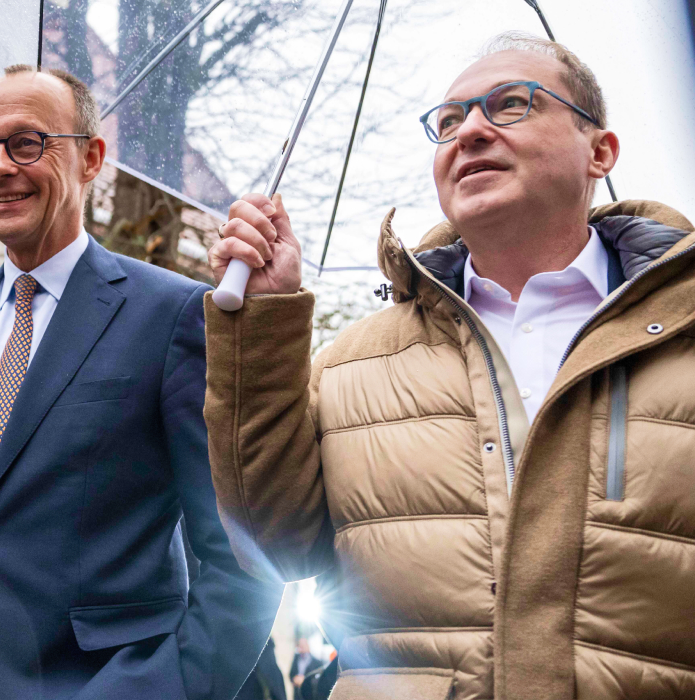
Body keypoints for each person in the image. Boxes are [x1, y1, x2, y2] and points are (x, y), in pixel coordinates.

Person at [205, 32, 695, 699]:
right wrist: (261, 322)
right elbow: (275, 545)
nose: (469, 131)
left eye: (511, 104)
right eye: (449, 121)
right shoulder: (350, 364)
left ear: (599, 152)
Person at [0, 65, 282, 700]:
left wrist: (170, 688)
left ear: (91, 159)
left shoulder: (172, 316)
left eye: (26, 143)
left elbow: (241, 555)